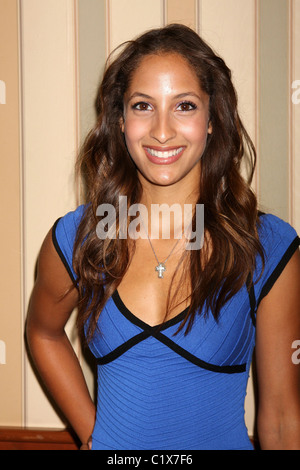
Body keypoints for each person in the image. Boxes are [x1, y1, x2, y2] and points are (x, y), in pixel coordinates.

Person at [26, 24, 300, 450]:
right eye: (142, 106)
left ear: (213, 120)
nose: (162, 130)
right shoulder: (82, 236)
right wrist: (92, 435)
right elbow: (43, 332)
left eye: (185, 106)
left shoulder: (266, 246)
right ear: (119, 120)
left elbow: (283, 420)